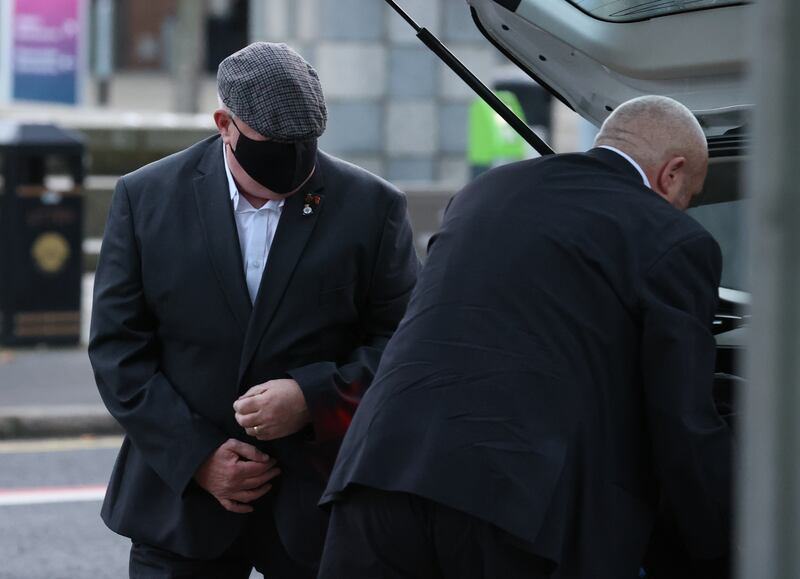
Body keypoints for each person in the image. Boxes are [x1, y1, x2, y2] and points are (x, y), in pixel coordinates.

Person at [317, 95, 732, 579]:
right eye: (692, 195)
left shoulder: (486, 191)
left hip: (379, 472)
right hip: (515, 504)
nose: (686, 208)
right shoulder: (671, 237)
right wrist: (719, 539)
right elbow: (679, 414)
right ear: (673, 173)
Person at [88, 42, 418, 579]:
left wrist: (314, 399)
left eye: (303, 146)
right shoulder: (145, 198)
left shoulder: (372, 207)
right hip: (180, 512)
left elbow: (404, 343)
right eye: (272, 147)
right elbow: (117, 348)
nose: (290, 165)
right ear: (225, 124)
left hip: (319, 508)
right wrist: (197, 458)